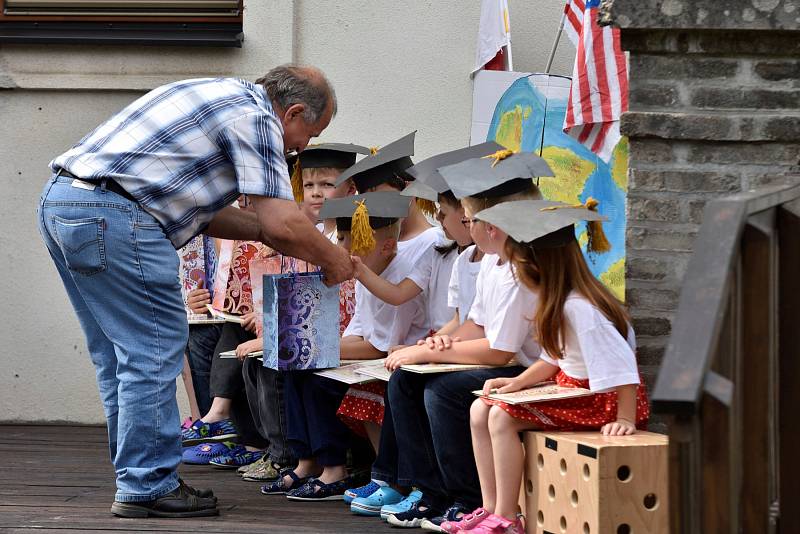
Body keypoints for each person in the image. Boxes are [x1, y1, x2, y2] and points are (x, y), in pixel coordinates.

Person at [37, 64, 354, 518]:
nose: (303, 147)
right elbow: (282, 222)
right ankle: (148, 484)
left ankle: (139, 476)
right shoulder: (258, 118)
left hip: (66, 202)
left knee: (118, 355)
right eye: (311, 133)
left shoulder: (216, 93)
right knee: (154, 351)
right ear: (294, 112)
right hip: (118, 216)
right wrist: (334, 259)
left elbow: (226, 218)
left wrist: (274, 233)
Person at [456, 199, 650, 534]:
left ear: (539, 267)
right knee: (479, 409)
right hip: (574, 388)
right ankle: (490, 507)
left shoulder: (580, 309)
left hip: (601, 399)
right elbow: (553, 359)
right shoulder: (560, 302)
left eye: (518, 267)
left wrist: (624, 419)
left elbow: (624, 368)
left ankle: (508, 517)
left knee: (501, 417)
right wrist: (516, 383)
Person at [379, 150, 550, 529]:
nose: (467, 228)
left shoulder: (522, 267)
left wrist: (432, 352)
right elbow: (475, 323)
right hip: (510, 360)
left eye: (472, 220)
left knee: (443, 391)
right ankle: (429, 491)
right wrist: (434, 347)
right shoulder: (489, 259)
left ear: (495, 225)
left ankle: (466, 496)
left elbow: (498, 350)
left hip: (538, 369)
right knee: (406, 379)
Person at [261, 191, 426, 502]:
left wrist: (322, 348)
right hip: (368, 357)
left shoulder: (397, 274)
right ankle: (306, 460)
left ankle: (335, 468)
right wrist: (312, 346)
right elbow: (358, 333)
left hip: (390, 362)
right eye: (340, 241)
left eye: (354, 245)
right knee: (299, 367)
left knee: (317, 382)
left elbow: (379, 347)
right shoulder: (370, 273)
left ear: (388, 246)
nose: (343, 251)